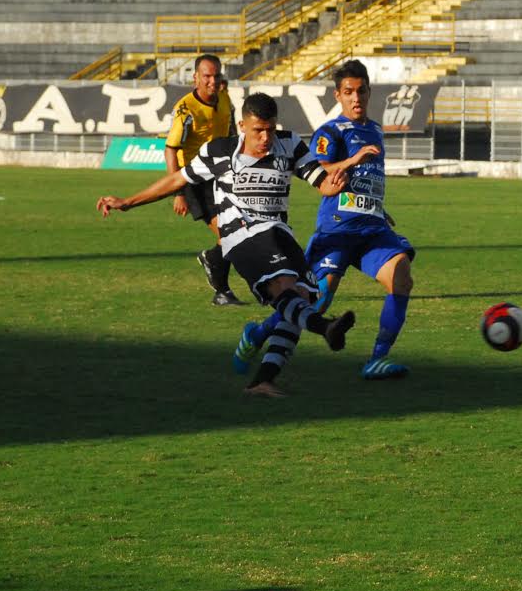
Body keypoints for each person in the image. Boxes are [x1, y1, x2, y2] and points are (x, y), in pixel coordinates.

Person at [97, 92, 359, 399]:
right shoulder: (219, 151)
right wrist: (128, 202)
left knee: (299, 297)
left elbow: (320, 182)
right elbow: (177, 181)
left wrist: (334, 184)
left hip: (279, 233)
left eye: (271, 129)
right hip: (241, 235)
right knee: (285, 287)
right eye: (258, 130)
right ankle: (325, 328)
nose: (265, 137)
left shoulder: (289, 144)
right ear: (242, 126)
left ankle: (262, 381)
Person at [231, 60, 416, 382]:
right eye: (348, 92)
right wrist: (354, 159)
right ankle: (258, 333)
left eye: (360, 91)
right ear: (338, 95)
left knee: (401, 276)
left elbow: (368, 178)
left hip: (372, 228)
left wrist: (375, 206)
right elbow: (318, 172)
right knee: (316, 300)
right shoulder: (330, 132)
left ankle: (377, 360)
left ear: (369, 92)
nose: (355, 98)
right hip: (337, 229)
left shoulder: (374, 129)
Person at [165, 53, 241, 305]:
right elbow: (171, 149)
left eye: (216, 75)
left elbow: (231, 132)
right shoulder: (186, 109)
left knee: (236, 231)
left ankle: (217, 274)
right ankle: (222, 290)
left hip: (223, 175)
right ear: (195, 77)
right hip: (196, 180)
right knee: (228, 234)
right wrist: (178, 191)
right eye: (206, 76)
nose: (212, 81)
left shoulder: (225, 98)